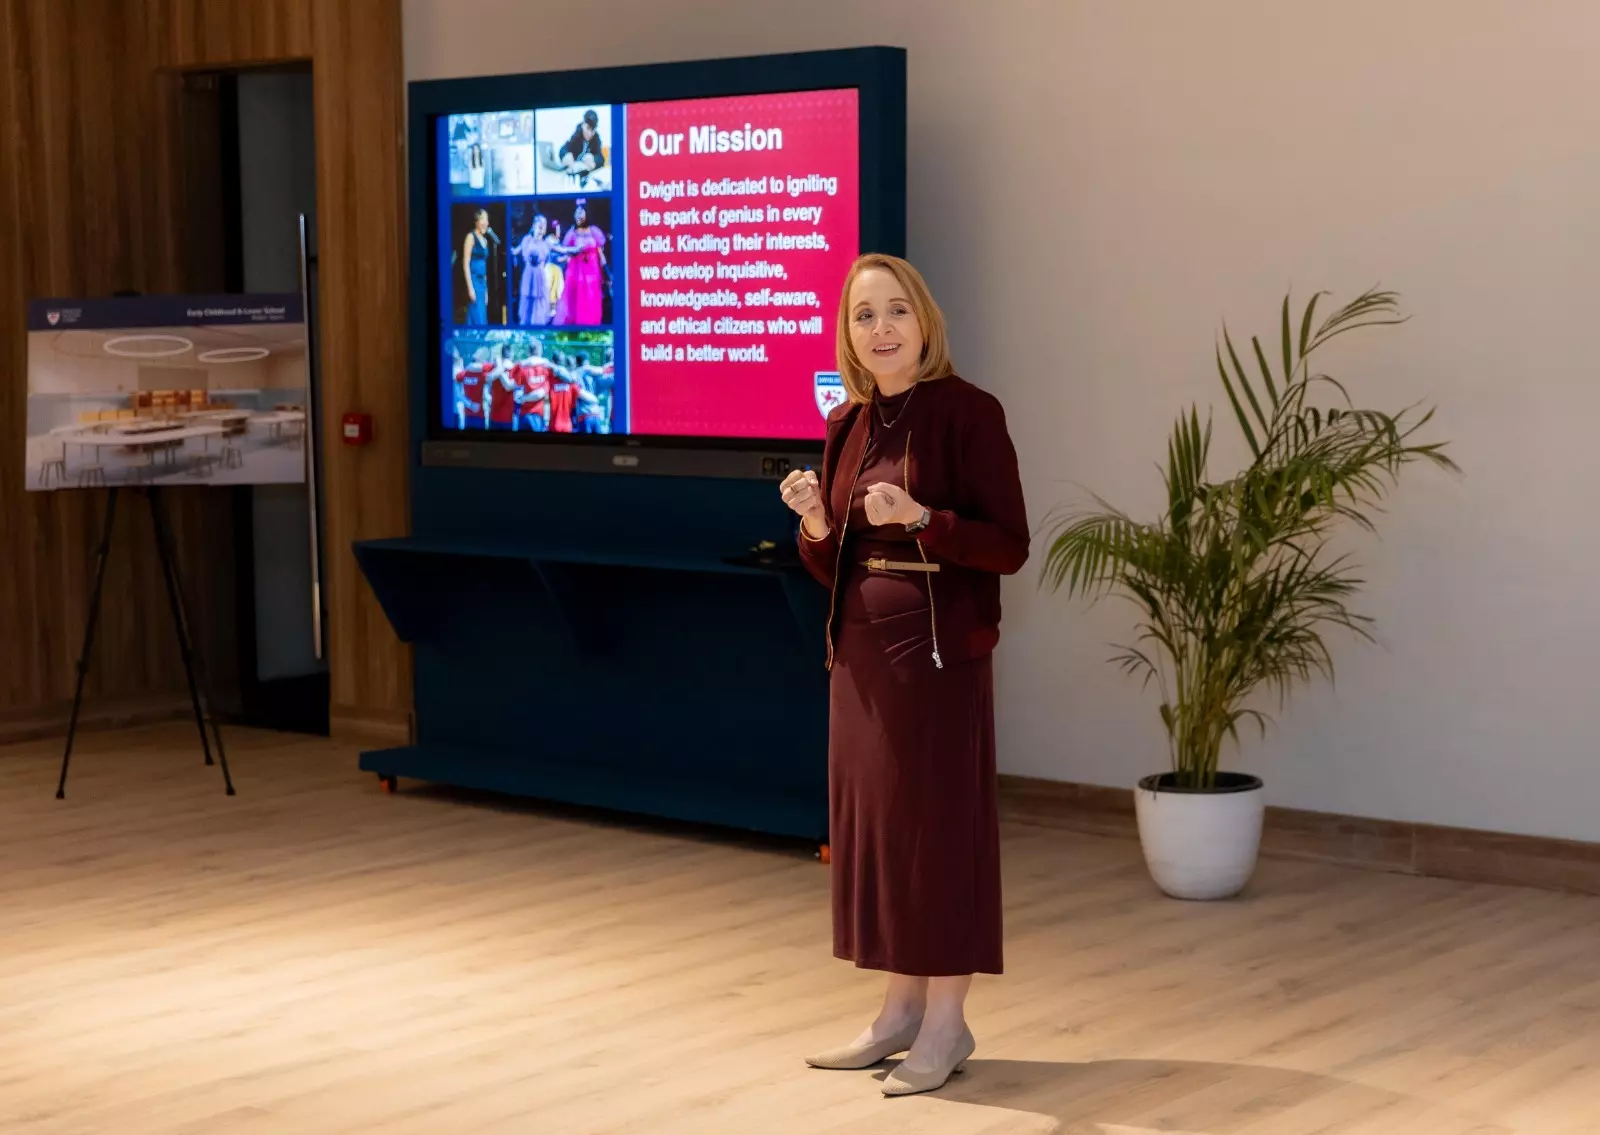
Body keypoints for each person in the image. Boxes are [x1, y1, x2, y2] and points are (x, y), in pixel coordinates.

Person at [778, 253, 1029, 1098]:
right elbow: (835, 564)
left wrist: (924, 517)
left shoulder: (969, 412)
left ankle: (947, 1022)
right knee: (882, 835)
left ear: (924, 321)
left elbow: (1009, 545)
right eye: (863, 315)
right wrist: (816, 523)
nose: (880, 328)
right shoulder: (848, 423)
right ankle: (898, 1011)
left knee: (937, 836)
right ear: (847, 335)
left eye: (895, 310)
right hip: (859, 659)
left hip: (936, 661)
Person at [554, 201, 606, 327]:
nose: (578, 215)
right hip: (576, 272)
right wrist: (561, 260)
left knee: (591, 298)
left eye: (581, 212)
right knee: (576, 299)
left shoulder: (594, 231)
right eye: (576, 213)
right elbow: (567, 253)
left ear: (586, 214)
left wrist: (606, 269)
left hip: (592, 273)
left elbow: (600, 252)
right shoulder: (572, 233)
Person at [463, 209, 492, 324]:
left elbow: (484, 267)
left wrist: (486, 291)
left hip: (482, 284)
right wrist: (470, 288)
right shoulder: (471, 237)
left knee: (479, 317)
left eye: (487, 219)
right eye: (483, 219)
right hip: (474, 282)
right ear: (477, 221)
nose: (486, 222)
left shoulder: (485, 240)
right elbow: (466, 263)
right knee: (478, 318)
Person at [559, 109, 606, 179]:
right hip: (573, 173)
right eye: (588, 128)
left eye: (592, 130)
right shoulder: (577, 134)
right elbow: (563, 149)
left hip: (587, 175)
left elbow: (601, 158)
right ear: (583, 125)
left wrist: (594, 160)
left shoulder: (596, 138)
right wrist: (565, 155)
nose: (590, 133)